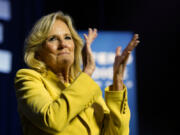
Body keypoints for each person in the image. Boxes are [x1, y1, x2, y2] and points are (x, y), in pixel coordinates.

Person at [14, 11, 140, 135]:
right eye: (52, 39)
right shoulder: (28, 78)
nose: (63, 44)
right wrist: (88, 72)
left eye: (67, 37)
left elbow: (117, 133)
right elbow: (52, 120)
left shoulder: (88, 89)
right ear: (38, 53)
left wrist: (117, 80)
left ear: (74, 46)